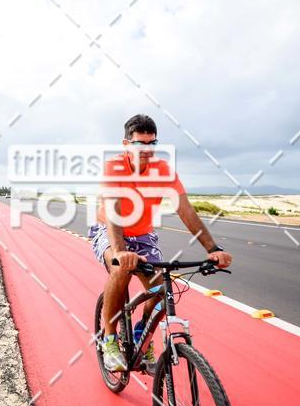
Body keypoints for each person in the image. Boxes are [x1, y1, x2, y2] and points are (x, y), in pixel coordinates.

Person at [88, 114, 232, 374]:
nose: (146, 151)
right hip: (109, 230)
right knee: (121, 268)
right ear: (126, 144)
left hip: (143, 235)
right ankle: (109, 341)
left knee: (162, 293)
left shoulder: (163, 171)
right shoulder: (114, 168)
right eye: (140, 145)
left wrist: (213, 249)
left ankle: (141, 332)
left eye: (152, 144)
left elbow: (185, 211)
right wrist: (121, 252)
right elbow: (113, 211)